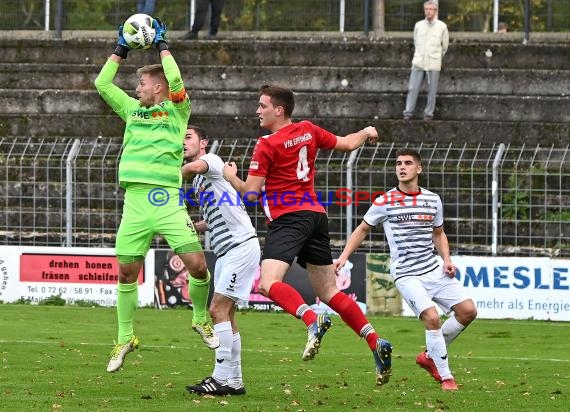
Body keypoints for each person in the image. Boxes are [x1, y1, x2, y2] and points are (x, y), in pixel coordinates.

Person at [222, 84, 393, 387]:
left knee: (268, 283)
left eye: (262, 106)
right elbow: (347, 143)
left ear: (279, 110)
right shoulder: (309, 130)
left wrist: (230, 175)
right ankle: (375, 341)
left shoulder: (267, 144)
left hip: (288, 217)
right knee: (329, 292)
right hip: (316, 215)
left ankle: (312, 320)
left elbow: (250, 194)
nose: (257, 111)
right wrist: (366, 131)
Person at [94, 20, 218, 373]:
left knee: (197, 265)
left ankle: (199, 319)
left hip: (166, 199)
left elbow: (177, 81)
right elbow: (102, 84)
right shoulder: (131, 110)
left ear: (158, 88)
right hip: (134, 200)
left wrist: (163, 46)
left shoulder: (177, 110)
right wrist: (120, 48)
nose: (136, 88)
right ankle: (125, 337)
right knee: (126, 273)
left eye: (142, 84)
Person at [334, 148, 477, 391]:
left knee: (468, 311)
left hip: (433, 268)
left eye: (408, 163)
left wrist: (447, 259)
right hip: (407, 274)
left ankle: (430, 356)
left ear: (418, 168)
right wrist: (343, 257)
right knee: (432, 317)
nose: (402, 167)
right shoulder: (385, 201)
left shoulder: (433, 200)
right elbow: (362, 229)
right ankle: (446, 377)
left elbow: (439, 233)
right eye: (399, 163)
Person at [182, 125, 261, 396]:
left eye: (188, 137)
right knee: (226, 315)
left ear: (203, 142)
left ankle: (219, 378)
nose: (183, 142)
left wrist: (164, 175)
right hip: (227, 250)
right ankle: (235, 381)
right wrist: (196, 226)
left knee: (216, 310)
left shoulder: (212, 161)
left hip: (240, 246)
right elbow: (219, 211)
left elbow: (193, 168)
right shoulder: (199, 182)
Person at [403, 0, 449, 122]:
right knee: (413, 88)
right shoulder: (418, 25)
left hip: (433, 63)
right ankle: (408, 112)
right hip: (418, 62)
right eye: (426, 9)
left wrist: (437, 57)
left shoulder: (442, 27)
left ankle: (429, 114)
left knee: (432, 90)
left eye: (431, 9)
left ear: (435, 10)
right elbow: (415, 41)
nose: (428, 11)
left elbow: (445, 46)